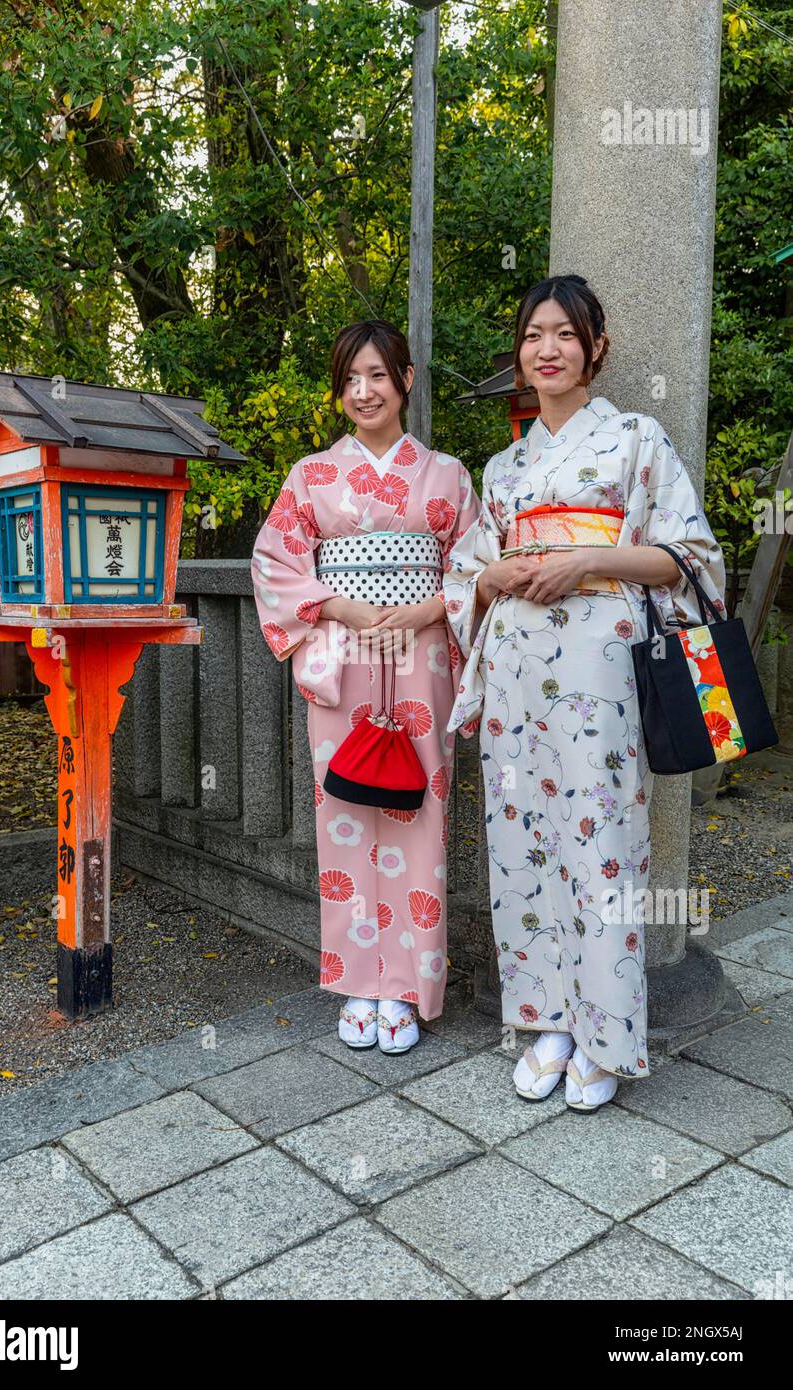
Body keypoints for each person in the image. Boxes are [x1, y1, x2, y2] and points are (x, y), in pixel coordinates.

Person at [443, 274, 726, 1110]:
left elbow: (691, 557)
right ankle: (547, 1021)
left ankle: (606, 1035)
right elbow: (469, 576)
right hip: (517, 678)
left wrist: (590, 560)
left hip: (600, 669)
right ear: (520, 355)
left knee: (599, 837)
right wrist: (494, 574)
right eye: (534, 335)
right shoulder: (503, 466)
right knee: (521, 839)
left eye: (567, 333)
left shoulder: (637, 439)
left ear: (596, 347)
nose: (549, 349)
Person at [251, 320, 481, 1053]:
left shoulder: (447, 475)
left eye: (377, 375)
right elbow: (274, 561)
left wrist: (422, 611)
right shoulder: (310, 476)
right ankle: (356, 982)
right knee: (344, 809)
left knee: (421, 813)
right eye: (350, 379)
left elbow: (477, 570)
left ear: (406, 380)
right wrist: (342, 605)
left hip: (423, 656)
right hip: (344, 655)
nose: (363, 391)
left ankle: (410, 988)